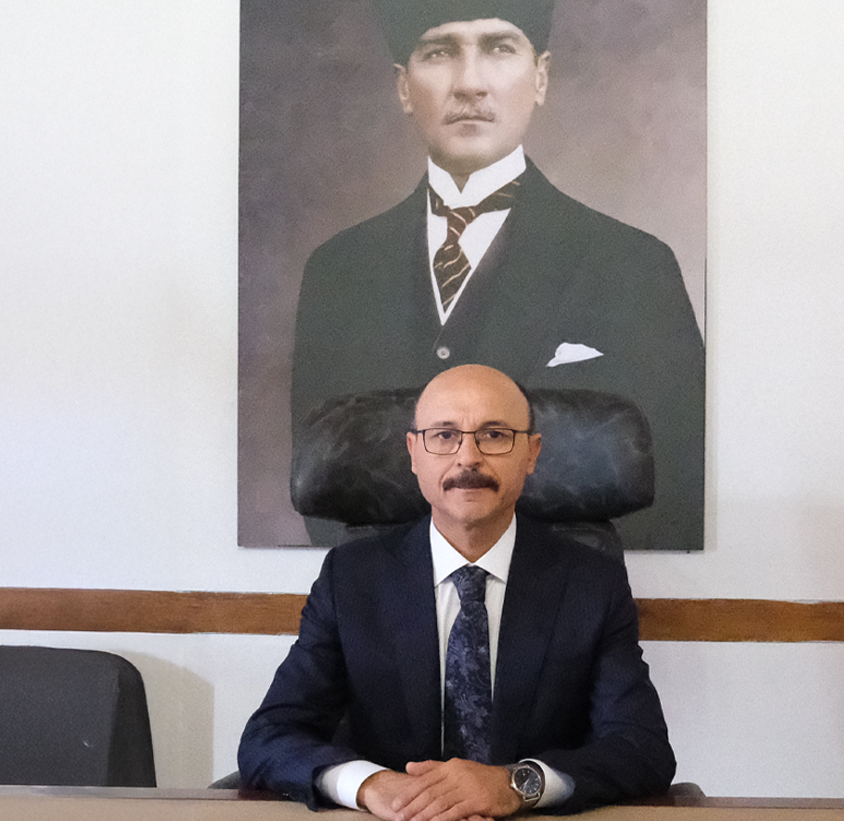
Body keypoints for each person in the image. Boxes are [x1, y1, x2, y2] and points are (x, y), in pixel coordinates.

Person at [289, 0, 705, 553]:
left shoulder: (635, 265)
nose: (470, 83)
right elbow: (323, 483)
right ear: (404, 88)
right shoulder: (338, 271)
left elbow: (675, 478)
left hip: (563, 589)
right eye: (440, 52)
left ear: (540, 78)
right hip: (389, 594)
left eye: (499, 48)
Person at [240, 364, 675, 818]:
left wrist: (514, 784)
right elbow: (269, 736)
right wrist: (371, 785)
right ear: (414, 453)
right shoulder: (351, 578)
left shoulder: (591, 583)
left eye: (495, 435)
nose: (468, 458)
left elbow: (641, 747)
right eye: (444, 436)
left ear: (531, 453)